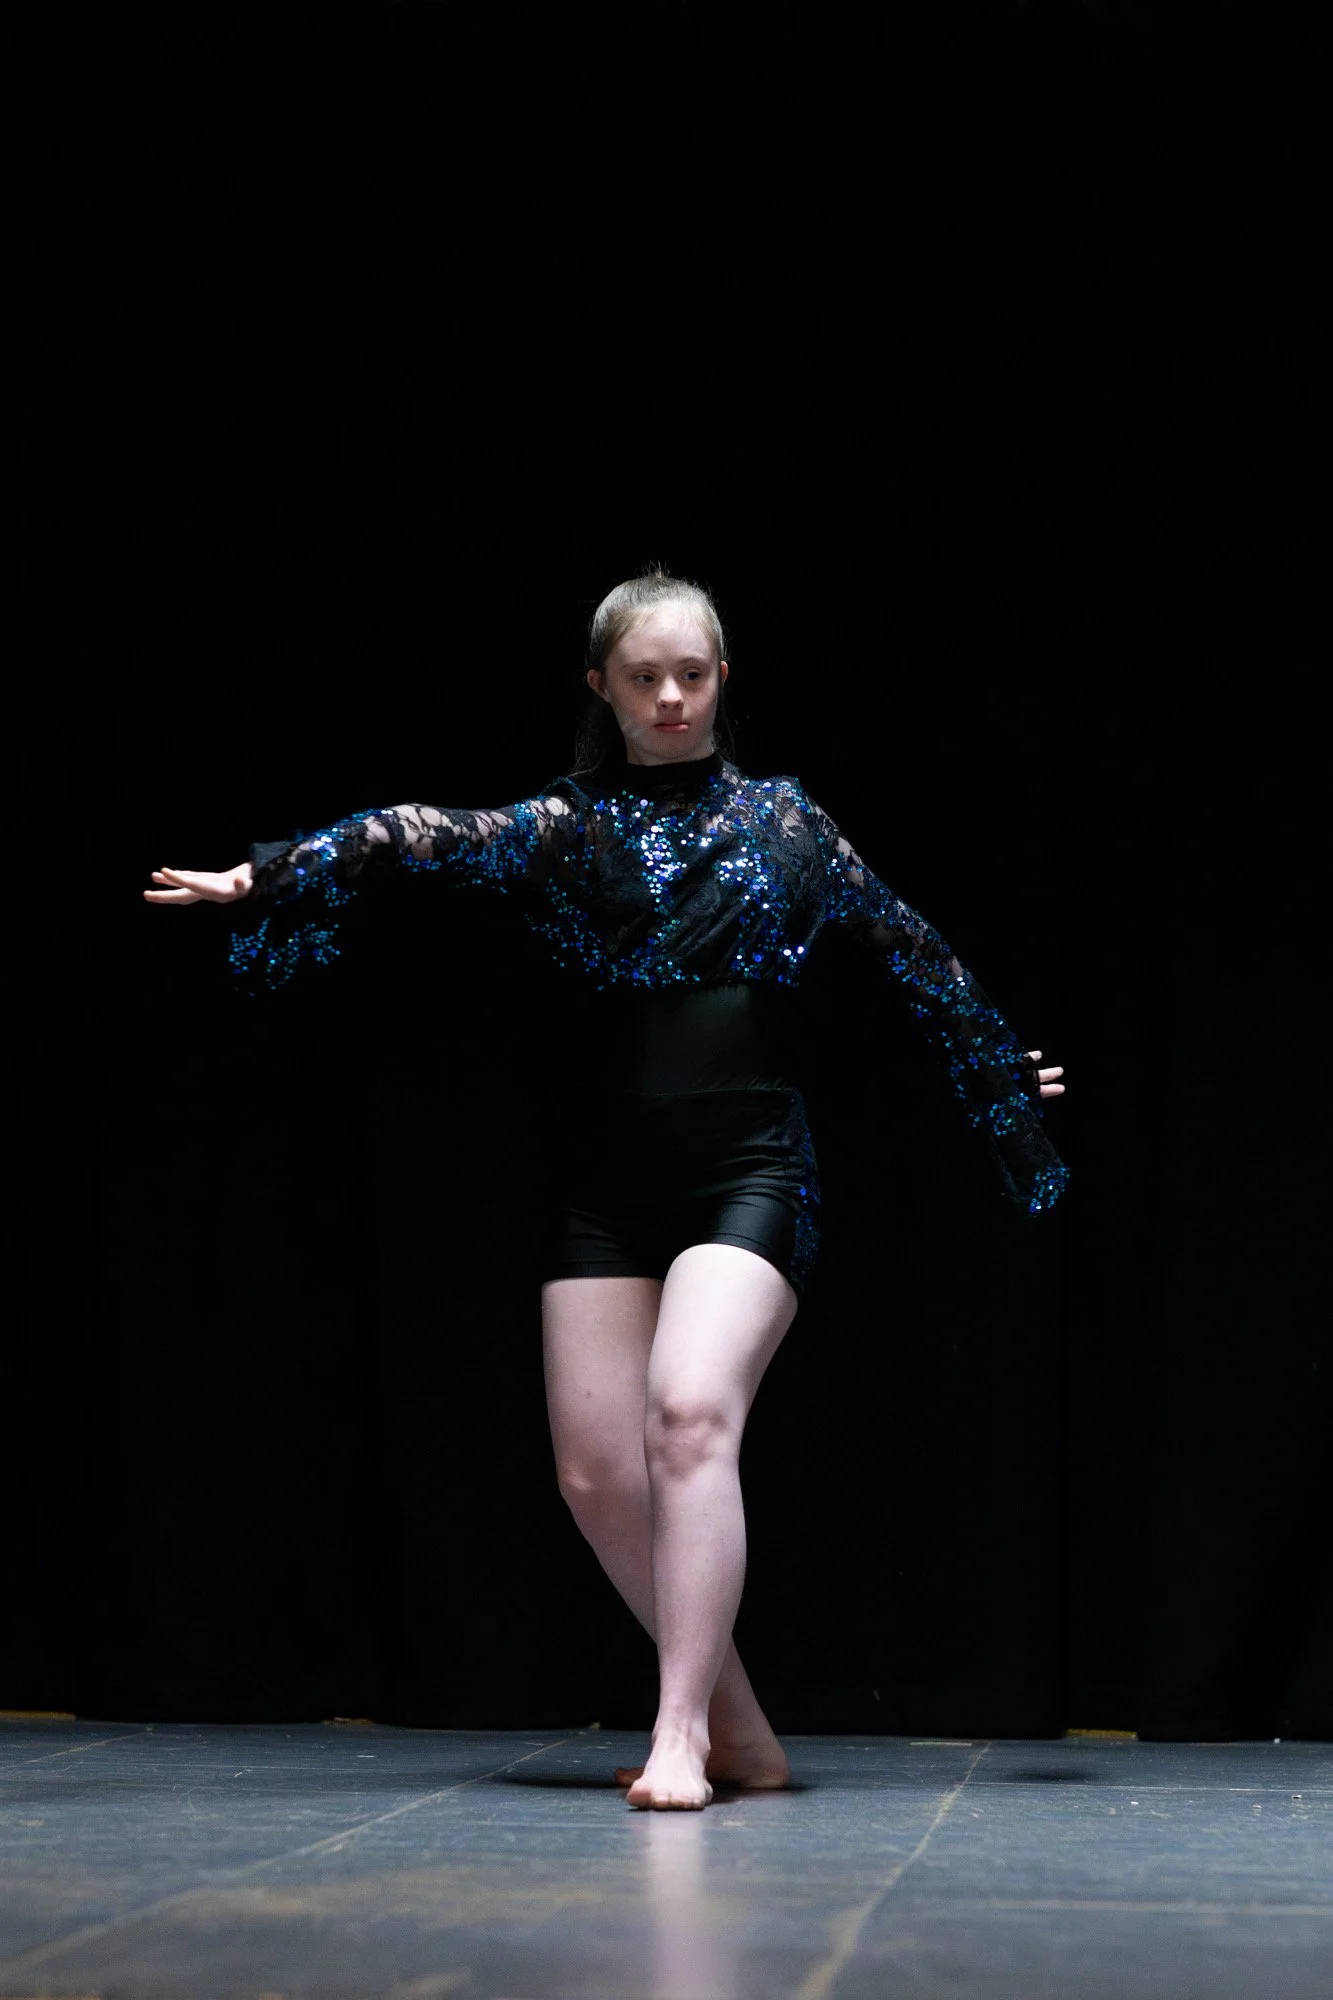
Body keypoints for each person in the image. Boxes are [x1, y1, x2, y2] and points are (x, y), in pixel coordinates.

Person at [144, 566, 1067, 1811]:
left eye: (691, 674)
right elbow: (426, 832)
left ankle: (679, 1730)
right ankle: (743, 1730)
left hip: (752, 1165)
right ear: (602, 686)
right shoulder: (568, 827)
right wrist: (272, 875)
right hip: (606, 1178)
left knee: (687, 1414)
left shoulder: (786, 823)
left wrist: (999, 1069)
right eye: (644, 677)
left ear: (722, 679)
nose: (671, 697)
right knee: (594, 1472)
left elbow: (910, 948)